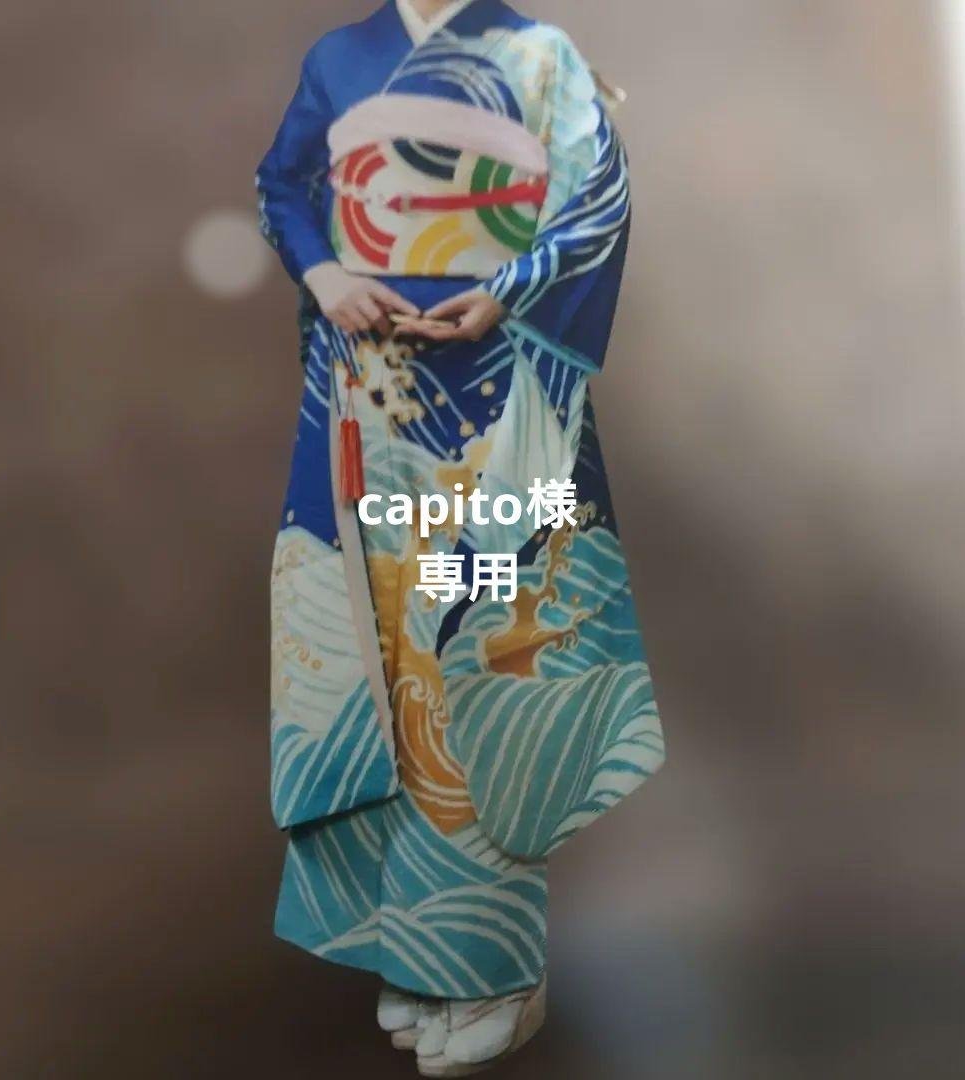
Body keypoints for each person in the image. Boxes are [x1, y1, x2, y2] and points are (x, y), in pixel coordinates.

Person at [256, 1, 664, 1073]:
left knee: (481, 656)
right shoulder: (341, 57)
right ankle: (414, 949)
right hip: (369, 396)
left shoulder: (537, 55)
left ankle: (496, 967)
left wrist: (508, 290)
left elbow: (600, 199)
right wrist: (328, 274)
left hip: (498, 398)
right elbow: (283, 187)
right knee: (382, 659)